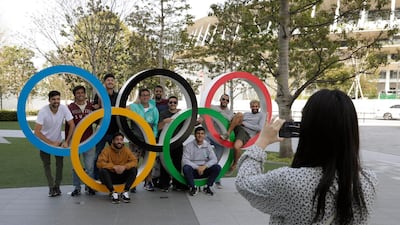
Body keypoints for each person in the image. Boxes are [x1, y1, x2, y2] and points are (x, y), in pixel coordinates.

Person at [235, 89, 377, 224]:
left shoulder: (290, 181)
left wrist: (262, 141)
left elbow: (244, 183)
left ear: (310, 128)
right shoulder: (368, 182)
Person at [34, 90, 75, 197]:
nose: (56, 101)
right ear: (49, 100)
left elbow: (72, 124)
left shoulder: (63, 108)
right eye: (53, 99)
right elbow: (37, 131)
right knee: (46, 165)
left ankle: (57, 186)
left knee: (59, 165)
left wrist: (67, 141)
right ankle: (51, 187)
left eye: (58, 99)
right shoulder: (43, 111)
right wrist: (51, 143)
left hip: (58, 141)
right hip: (44, 142)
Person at [66, 85, 96, 196]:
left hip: (89, 140)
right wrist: (67, 141)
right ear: (74, 95)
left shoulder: (91, 106)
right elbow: (67, 126)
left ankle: (90, 186)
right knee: (76, 166)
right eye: (78, 93)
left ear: (85, 94)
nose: (80, 95)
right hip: (75, 141)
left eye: (82, 92)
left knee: (90, 166)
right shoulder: (70, 107)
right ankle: (77, 187)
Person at [128, 88, 159, 191]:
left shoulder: (154, 109)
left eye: (147, 95)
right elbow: (121, 112)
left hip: (149, 140)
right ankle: (132, 183)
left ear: (149, 96)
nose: (145, 97)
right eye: (143, 95)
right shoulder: (134, 107)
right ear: (140, 97)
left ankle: (148, 182)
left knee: (148, 162)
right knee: (133, 162)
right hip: (136, 140)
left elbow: (155, 125)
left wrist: (153, 138)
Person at [220, 99, 265, 171]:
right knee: (239, 114)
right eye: (253, 106)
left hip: (245, 132)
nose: (254, 108)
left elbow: (259, 128)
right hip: (238, 127)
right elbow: (239, 120)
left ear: (258, 107)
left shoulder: (261, 115)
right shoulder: (247, 114)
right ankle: (227, 134)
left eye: (256, 106)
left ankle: (235, 163)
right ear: (250, 107)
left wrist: (244, 124)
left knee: (236, 146)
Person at [96, 132, 138, 204]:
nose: (119, 142)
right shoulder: (106, 150)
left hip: (122, 176)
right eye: (117, 140)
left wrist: (124, 167)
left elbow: (134, 161)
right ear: (113, 141)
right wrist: (113, 167)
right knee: (102, 170)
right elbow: (99, 163)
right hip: (110, 177)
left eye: (121, 140)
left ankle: (125, 192)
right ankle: (113, 192)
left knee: (134, 169)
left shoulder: (126, 150)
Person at [157, 96, 187, 192]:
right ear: (168, 104)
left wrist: (198, 121)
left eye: (174, 102)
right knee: (164, 163)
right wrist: (164, 122)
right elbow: (158, 127)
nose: (173, 104)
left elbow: (188, 124)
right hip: (165, 142)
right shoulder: (163, 114)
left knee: (177, 163)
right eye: (171, 102)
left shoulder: (180, 114)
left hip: (177, 142)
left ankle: (176, 184)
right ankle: (164, 184)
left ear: (177, 103)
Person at [93, 73, 119, 179]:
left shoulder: (118, 96)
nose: (110, 82)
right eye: (108, 80)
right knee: (97, 156)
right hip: (102, 131)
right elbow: (95, 109)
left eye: (112, 80)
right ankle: (95, 179)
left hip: (114, 130)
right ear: (105, 82)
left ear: (114, 83)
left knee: (116, 156)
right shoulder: (99, 95)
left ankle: (115, 179)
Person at [182, 126, 221, 196]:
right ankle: (193, 187)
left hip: (204, 169)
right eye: (198, 133)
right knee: (186, 168)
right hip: (194, 170)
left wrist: (205, 166)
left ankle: (207, 187)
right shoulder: (189, 146)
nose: (200, 135)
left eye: (202, 133)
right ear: (195, 135)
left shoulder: (207, 145)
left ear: (204, 135)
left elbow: (214, 159)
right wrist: (197, 167)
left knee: (217, 167)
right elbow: (185, 160)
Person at [207, 94, 235, 188]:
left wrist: (218, 113)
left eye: (227, 100)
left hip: (220, 139)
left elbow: (228, 118)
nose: (225, 101)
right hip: (210, 136)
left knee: (219, 160)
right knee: (201, 150)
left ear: (228, 102)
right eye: (223, 99)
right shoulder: (213, 107)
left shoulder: (229, 112)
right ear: (220, 99)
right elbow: (206, 109)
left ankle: (217, 179)